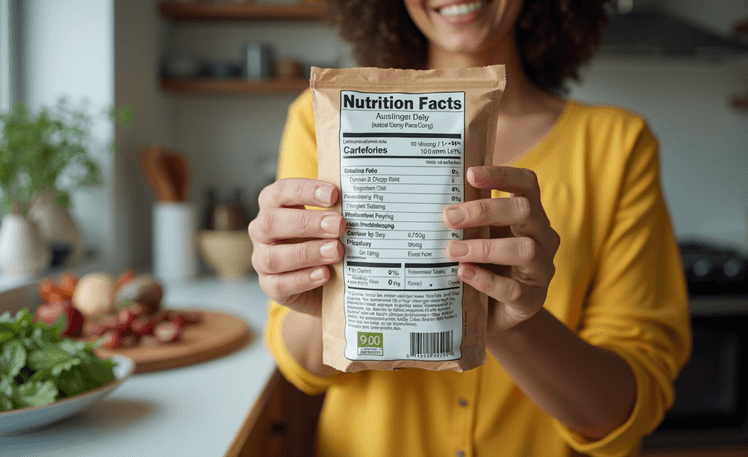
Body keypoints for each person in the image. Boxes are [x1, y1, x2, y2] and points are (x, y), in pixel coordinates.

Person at [249, 0, 692, 455]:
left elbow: (620, 408)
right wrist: (313, 298)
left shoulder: (617, 146)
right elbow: (299, 364)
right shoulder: (331, 118)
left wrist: (512, 321)